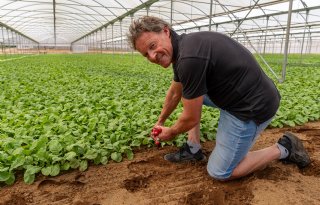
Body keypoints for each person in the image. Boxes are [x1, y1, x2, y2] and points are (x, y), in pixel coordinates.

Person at [127, 16, 311, 180]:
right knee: (188, 94)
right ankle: (193, 149)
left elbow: (192, 118)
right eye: (146, 54)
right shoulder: (183, 47)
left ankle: (284, 148)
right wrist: (160, 121)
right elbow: (176, 92)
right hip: (241, 94)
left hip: (252, 107)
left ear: (165, 31)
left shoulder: (189, 59)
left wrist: (171, 132)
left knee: (220, 172)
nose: (152, 56)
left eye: (152, 46)